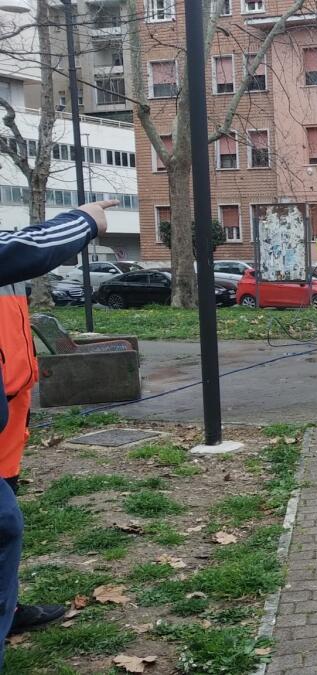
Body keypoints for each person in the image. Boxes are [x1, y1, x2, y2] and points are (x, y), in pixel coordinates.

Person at [0, 200, 117, 664]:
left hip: (12, 404)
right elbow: (29, 250)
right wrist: (84, 219)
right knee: (5, 523)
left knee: (7, 512)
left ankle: (8, 606)